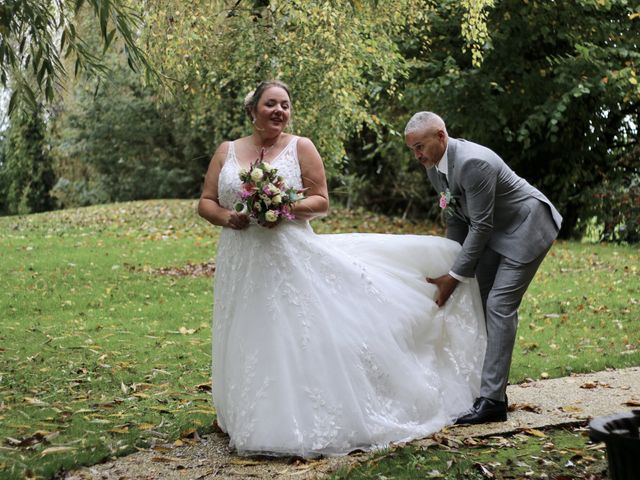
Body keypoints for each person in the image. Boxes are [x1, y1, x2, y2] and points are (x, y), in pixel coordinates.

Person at [198, 81, 487, 458]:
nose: (279, 111)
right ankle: (242, 413)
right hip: (240, 257)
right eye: (271, 104)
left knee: (289, 332)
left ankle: (288, 421)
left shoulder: (301, 147)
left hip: (288, 254)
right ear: (252, 111)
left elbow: (321, 201)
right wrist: (228, 217)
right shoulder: (227, 151)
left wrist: (282, 207)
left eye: (285, 105)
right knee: (244, 331)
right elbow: (205, 201)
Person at [404, 112, 563, 425]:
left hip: (526, 225)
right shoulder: (435, 168)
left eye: (420, 146)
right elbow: (454, 217)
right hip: (494, 232)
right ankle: (493, 390)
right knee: (481, 299)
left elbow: (480, 225)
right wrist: (451, 264)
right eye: (412, 149)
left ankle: (492, 402)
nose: (417, 155)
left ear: (440, 136)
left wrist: (453, 278)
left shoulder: (473, 163)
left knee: (500, 306)